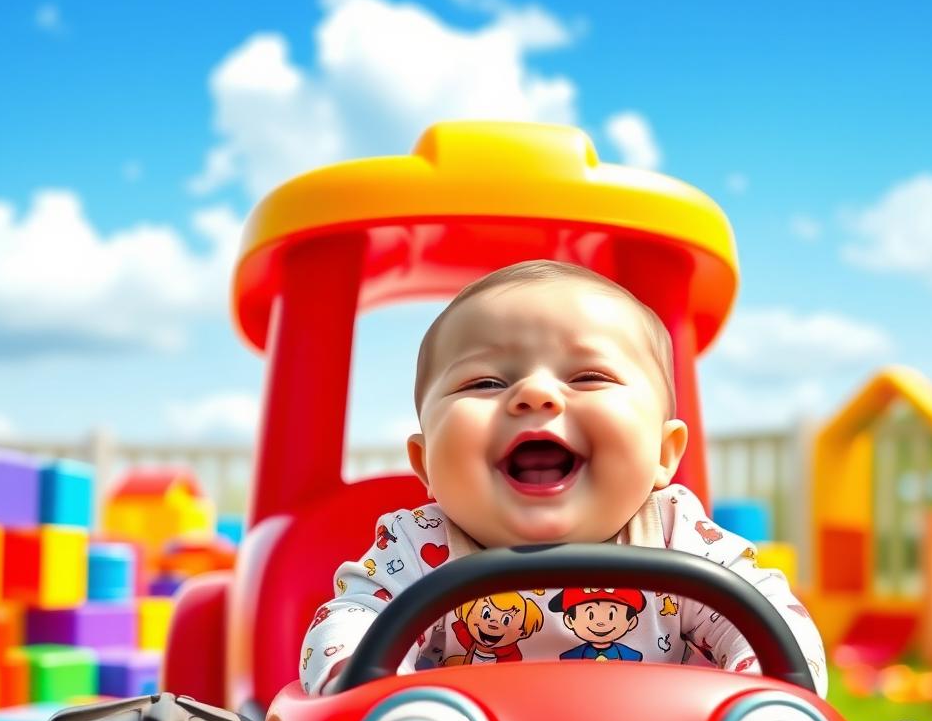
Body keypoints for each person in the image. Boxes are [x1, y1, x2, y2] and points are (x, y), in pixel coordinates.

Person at [300, 260, 827, 696]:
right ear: (426, 465)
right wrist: (373, 697)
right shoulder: (420, 548)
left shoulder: (676, 538)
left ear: (664, 454)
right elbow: (350, 621)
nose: (535, 393)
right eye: (484, 382)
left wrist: (762, 699)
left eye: (588, 376)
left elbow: (771, 623)